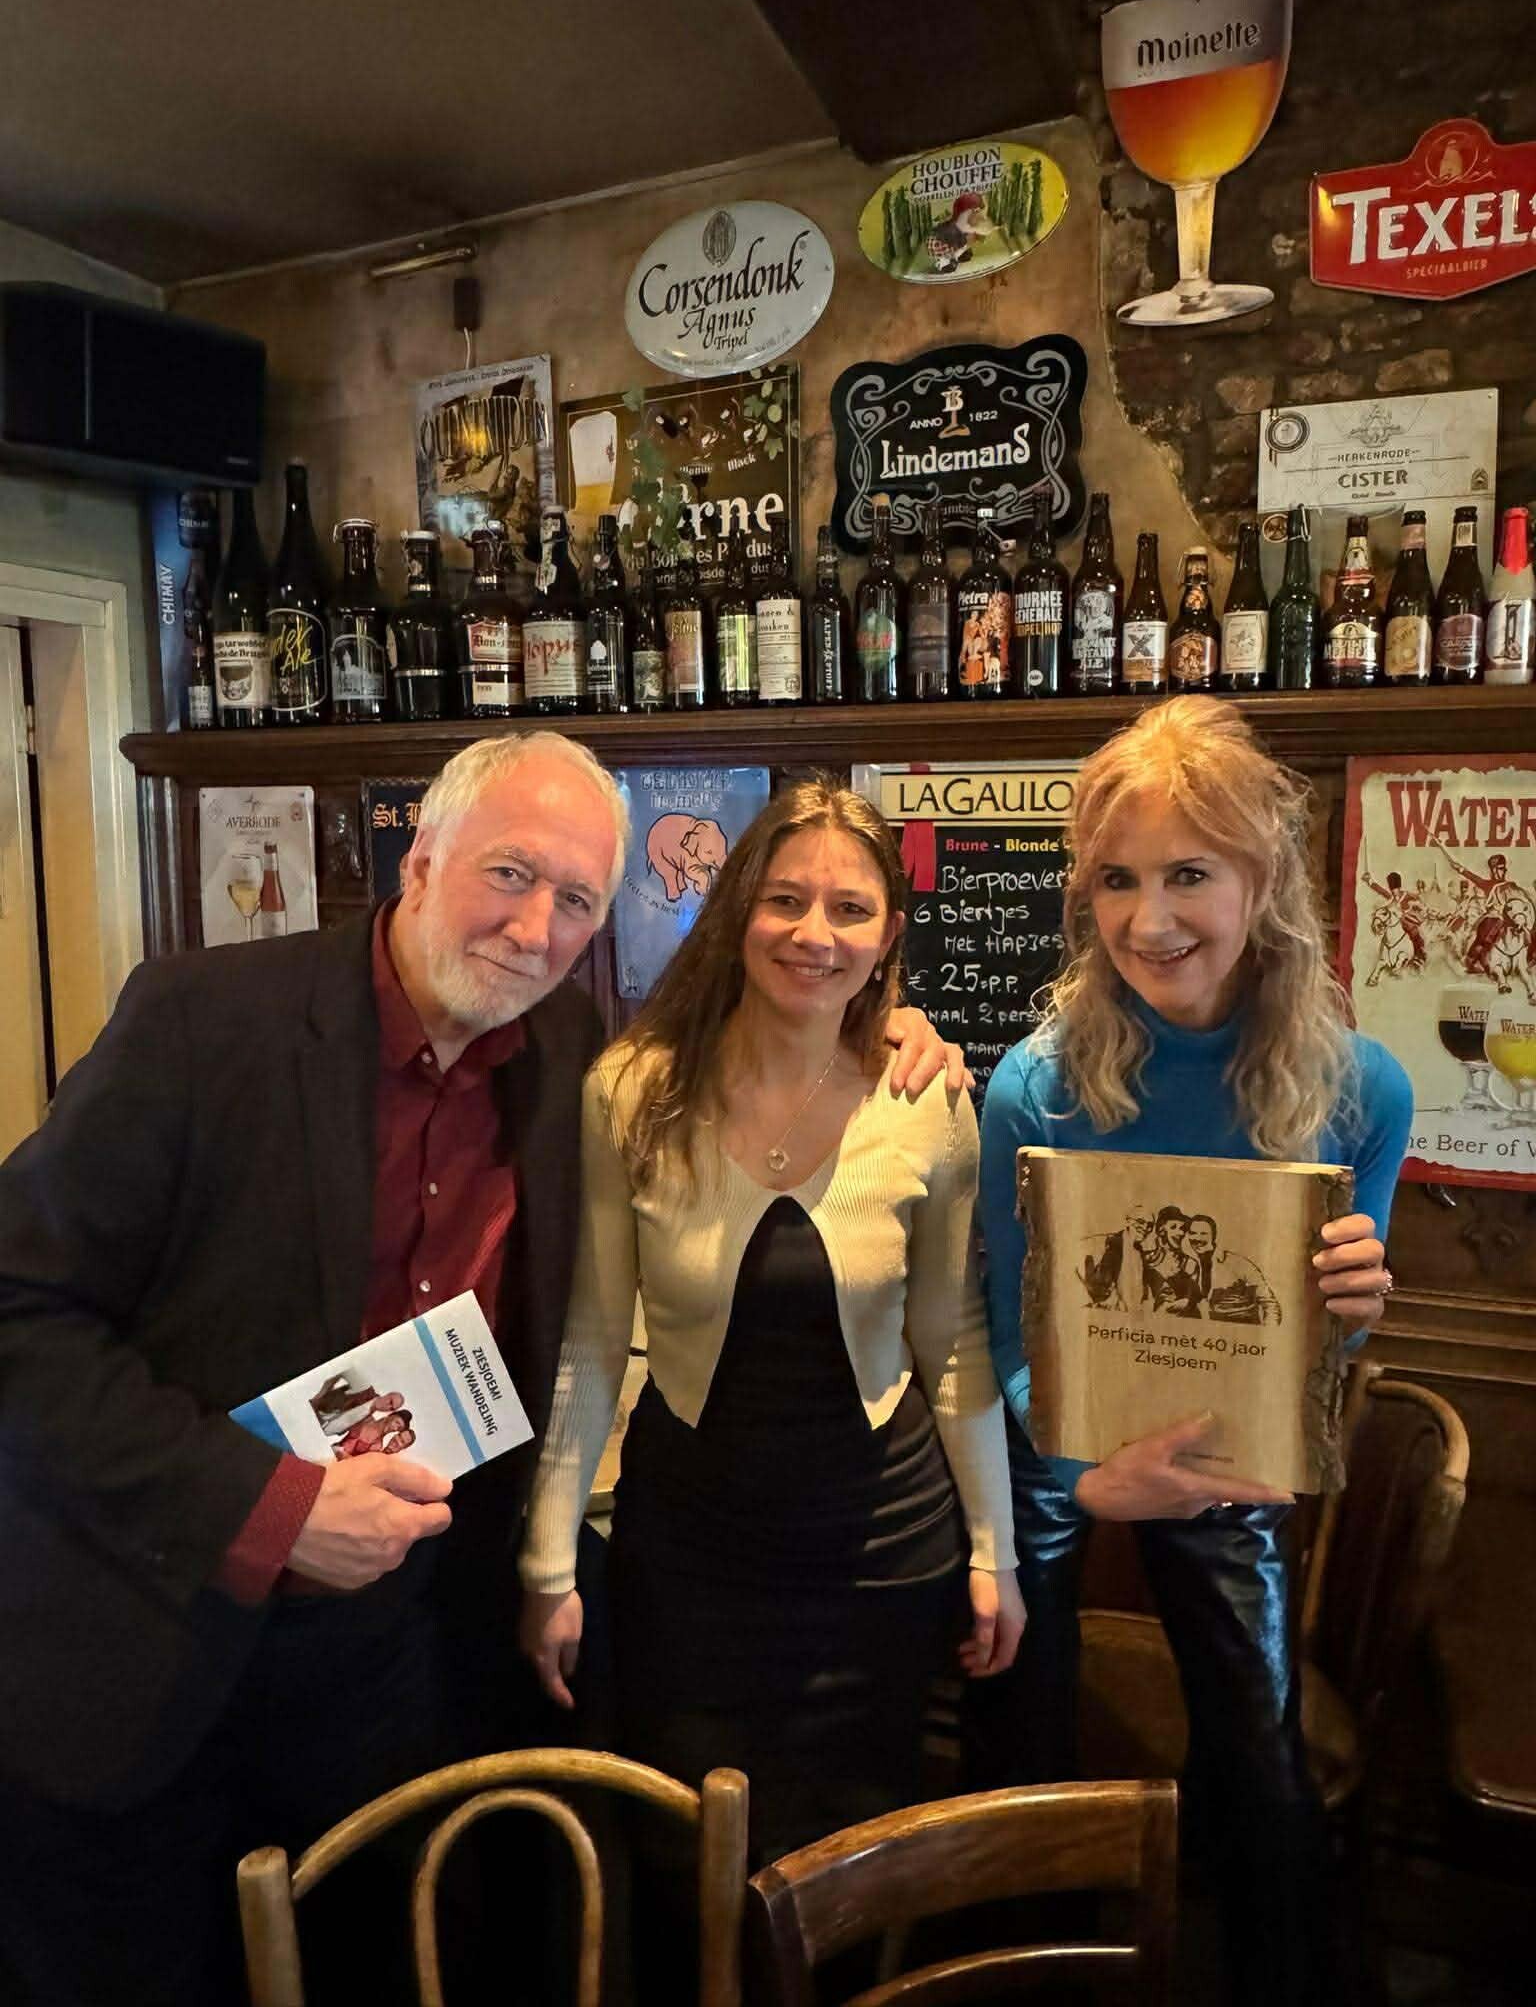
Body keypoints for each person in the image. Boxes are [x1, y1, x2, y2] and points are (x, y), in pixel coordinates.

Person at [0, 724, 972, 2007]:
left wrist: (881, 1022)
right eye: (509, 873)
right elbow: (21, 1312)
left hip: (401, 1652)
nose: (534, 925)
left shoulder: (573, 1055)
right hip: (159, 1640)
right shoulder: (201, 1021)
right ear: (419, 858)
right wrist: (269, 1503)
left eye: (575, 898)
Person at [970, 697, 1413, 2007]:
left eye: (1188, 875)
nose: (1149, 918)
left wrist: (1355, 1303)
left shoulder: (1360, 1088)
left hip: (1223, 1451)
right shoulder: (1036, 1085)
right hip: (1055, 1442)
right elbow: (1007, 1331)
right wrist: (1082, 1473)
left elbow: (1321, 1335)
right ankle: (1022, 1970)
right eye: (1116, 879)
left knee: (1262, 1759)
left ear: (1262, 881)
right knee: (1016, 1721)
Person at [519, 779, 1024, 1881]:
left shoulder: (928, 1099)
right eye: (786, 899)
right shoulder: (633, 1090)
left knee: (857, 1859)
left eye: (850, 909)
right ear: (738, 907)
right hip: (691, 1555)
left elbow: (951, 1343)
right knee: (688, 1857)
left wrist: (995, 1552)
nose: (814, 933)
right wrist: (548, 1556)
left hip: (885, 1554)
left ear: (887, 937)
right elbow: (594, 1339)